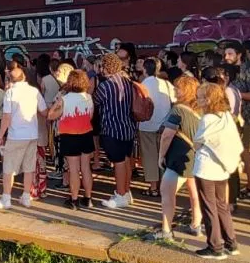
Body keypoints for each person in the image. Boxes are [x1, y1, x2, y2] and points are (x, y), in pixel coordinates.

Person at [146, 76, 203, 241]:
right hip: (196, 156)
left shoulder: (178, 110)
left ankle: (166, 230)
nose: (174, 90)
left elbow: (167, 135)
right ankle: (196, 224)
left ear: (184, 91)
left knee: (166, 192)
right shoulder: (201, 109)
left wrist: (161, 156)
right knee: (195, 193)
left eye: (178, 88)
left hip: (178, 158)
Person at [192, 82, 242, 259]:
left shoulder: (207, 119)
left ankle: (215, 246)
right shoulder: (226, 116)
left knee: (209, 206)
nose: (197, 100)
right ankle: (231, 242)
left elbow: (197, 142)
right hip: (223, 167)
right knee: (222, 205)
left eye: (200, 97)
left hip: (206, 167)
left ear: (208, 100)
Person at [0, 66, 47, 209]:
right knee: (29, 167)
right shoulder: (34, 91)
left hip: (16, 135)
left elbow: (6, 117)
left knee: (9, 168)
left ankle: (6, 198)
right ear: (25, 77)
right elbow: (44, 111)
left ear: (10, 79)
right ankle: (26, 196)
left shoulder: (10, 93)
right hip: (32, 134)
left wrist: (0, 136)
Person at [47, 69, 94, 209]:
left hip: (69, 135)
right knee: (86, 168)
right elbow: (90, 116)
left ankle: (74, 200)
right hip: (86, 134)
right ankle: (88, 198)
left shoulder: (65, 99)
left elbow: (50, 116)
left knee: (73, 169)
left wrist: (56, 104)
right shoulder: (88, 97)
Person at [94, 53, 136, 210]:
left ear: (106, 67)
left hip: (112, 128)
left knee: (118, 162)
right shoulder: (128, 82)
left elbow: (95, 101)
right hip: (128, 127)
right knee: (125, 160)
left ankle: (119, 194)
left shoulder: (105, 86)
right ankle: (126, 192)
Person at [224, 43, 250, 197]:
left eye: (230, 54)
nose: (226, 57)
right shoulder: (226, 71)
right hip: (230, 119)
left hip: (246, 118)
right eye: (225, 54)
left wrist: (235, 94)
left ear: (239, 55)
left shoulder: (247, 71)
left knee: (245, 152)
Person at [138, 58, 175, 198]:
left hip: (146, 124)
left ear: (145, 69)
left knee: (149, 156)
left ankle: (153, 187)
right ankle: (164, 186)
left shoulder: (142, 85)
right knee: (163, 155)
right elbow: (174, 101)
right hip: (164, 125)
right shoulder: (166, 84)